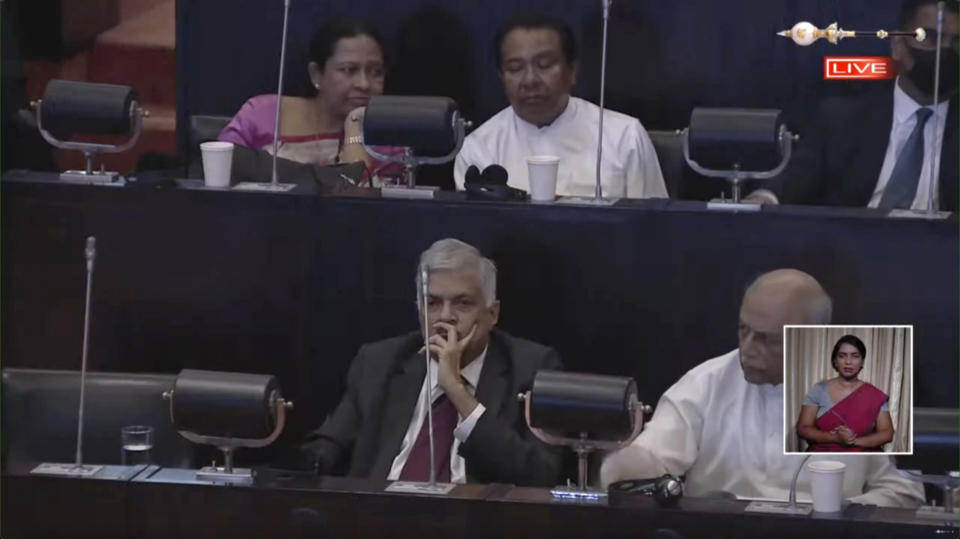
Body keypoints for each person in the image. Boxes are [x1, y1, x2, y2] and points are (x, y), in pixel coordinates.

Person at [600, 269, 924, 507]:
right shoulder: (705, 384)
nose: (748, 349)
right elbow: (647, 462)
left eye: (768, 339)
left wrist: (844, 513)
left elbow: (904, 491)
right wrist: (628, 465)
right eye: (744, 330)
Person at [297, 238, 563, 486]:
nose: (445, 317)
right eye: (433, 303)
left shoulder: (532, 368)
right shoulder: (379, 362)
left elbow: (540, 474)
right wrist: (303, 468)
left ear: (492, 313)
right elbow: (328, 445)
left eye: (463, 303)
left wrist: (457, 392)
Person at [747, 0, 958, 211]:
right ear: (898, 46)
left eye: (956, 42)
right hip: (853, 239)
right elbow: (794, 180)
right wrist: (762, 201)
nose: (945, 50)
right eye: (931, 38)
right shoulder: (842, 120)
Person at [454, 13, 667, 199]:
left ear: (572, 71)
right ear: (501, 76)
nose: (530, 80)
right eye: (515, 68)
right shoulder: (478, 149)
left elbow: (654, 228)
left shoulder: (624, 138)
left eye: (544, 65)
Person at [219, 18, 401, 185]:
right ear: (316, 74)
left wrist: (354, 129)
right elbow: (219, 170)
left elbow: (361, 203)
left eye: (376, 72)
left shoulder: (389, 141)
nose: (364, 84)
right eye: (348, 70)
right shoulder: (263, 115)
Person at [796, 335, 894, 452]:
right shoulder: (819, 390)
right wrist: (835, 438)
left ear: (862, 361)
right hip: (823, 456)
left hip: (863, 458)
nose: (848, 362)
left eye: (855, 356)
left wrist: (853, 441)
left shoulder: (874, 395)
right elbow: (803, 428)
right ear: (835, 361)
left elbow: (887, 433)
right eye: (842, 356)